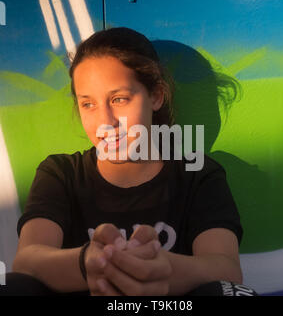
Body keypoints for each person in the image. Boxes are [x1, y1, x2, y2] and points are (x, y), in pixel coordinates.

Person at [10, 27, 244, 296]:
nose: (105, 122)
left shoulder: (197, 174)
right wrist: (90, 263)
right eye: (88, 104)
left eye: (119, 99)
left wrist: (160, 268)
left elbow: (227, 271)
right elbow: (27, 261)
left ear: (156, 96)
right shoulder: (61, 173)